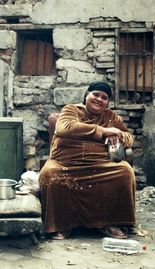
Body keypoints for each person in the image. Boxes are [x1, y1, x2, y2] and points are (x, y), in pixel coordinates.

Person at [39, 80, 136, 240]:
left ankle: (111, 223)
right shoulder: (71, 110)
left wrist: (118, 135)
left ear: (107, 103)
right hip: (65, 163)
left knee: (125, 172)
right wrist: (103, 131)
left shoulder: (112, 117)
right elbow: (64, 128)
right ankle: (60, 225)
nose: (99, 99)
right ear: (86, 96)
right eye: (95, 94)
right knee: (49, 174)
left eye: (104, 97)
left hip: (101, 165)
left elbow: (129, 138)